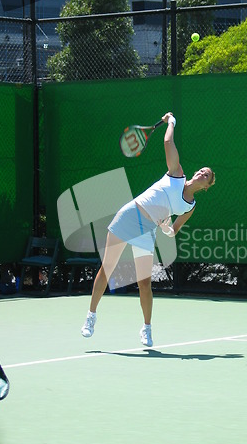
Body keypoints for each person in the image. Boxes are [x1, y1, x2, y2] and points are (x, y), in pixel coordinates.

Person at [81, 112, 215, 347]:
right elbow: (167, 142)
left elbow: (174, 230)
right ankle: (91, 316)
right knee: (107, 268)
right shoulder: (176, 174)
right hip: (130, 215)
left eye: (208, 176)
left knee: (144, 282)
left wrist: (165, 228)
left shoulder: (190, 206)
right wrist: (171, 122)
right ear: (195, 173)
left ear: (206, 187)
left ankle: (147, 328)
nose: (203, 173)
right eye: (202, 171)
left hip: (148, 230)